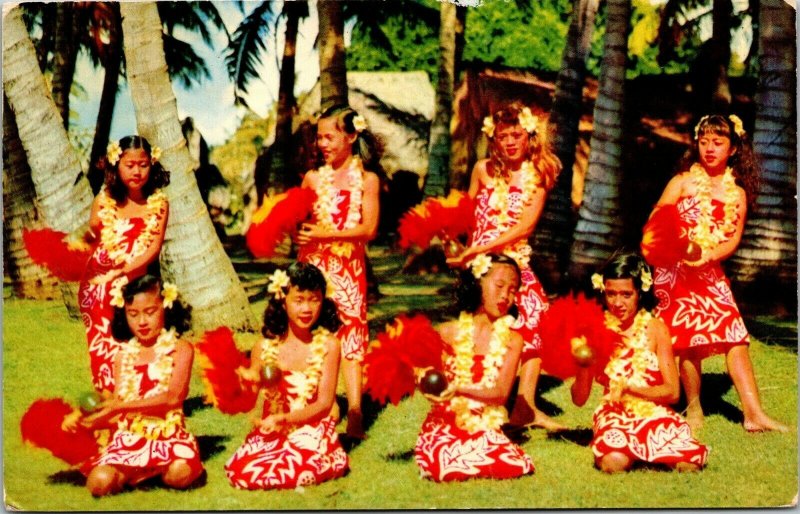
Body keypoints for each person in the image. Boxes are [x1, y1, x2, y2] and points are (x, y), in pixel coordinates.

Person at [647, 114, 788, 433]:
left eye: (718, 142)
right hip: (675, 270)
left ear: (734, 148)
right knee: (688, 340)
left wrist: (709, 253)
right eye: (704, 141)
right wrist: (680, 244)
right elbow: (657, 218)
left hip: (709, 270)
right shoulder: (682, 182)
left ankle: (754, 414)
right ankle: (693, 408)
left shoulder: (736, 192)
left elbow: (732, 237)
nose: (709, 148)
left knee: (736, 337)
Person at [447, 103, 563, 431]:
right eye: (503, 136)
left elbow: (524, 227)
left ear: (529, 137)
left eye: (516, 135)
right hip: (481, 265)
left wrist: (483, 245)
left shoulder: (537, 173)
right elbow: (465, 211)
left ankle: (525, 405)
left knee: (535, 315)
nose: (510, 142)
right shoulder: (483, 170)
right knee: (478, 329)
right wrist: (453, 242)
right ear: (493, 139)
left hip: (514, 261)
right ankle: (474, 398)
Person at [571, 253, 709, 473]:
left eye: (626, 294)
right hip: (614, 412)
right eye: (611, 294)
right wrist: (583, 364)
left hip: (653, 410)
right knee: (613, 462)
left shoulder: (656, 329)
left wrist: (632, 389)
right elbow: (579, 399)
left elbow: (672, 392)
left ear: (639, 293)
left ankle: (645, 450)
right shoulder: (595, 330)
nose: (618, 303)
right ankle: (634, 451)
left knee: (689, 464)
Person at [70, 274, 202, 496]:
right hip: (130, 436)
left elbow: (173, 398)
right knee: (98, 483)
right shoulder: (123, 356)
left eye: (150, 312)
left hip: (168, 434)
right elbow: (116, 408)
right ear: (125, 315)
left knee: (179, 474)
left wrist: (119, 407)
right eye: (133, 314)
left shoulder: (181, 349)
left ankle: (155, 469)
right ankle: (139, 470)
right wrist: (88, 423)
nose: (141, 321)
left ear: (166, 308)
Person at [295, 105, 381, 439]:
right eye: (319, 137)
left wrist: (325, 235)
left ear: (352, 135)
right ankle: (321, 401)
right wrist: (299, 231)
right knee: (316, 331)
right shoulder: (313, 178)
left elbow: (369, 229)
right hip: (314, 265)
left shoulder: (368, 180)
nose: (323, 144)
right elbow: (301, 221)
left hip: (347, 268)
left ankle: (356, 412)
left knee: (351, 336)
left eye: (330, 136)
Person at [225, 263, 349, 489]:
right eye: (298, 299)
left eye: (314, 299)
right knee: (246, 472)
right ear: (282, 300)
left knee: (300, 470)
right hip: (272, 426)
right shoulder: (263, 348)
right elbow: (249, 399)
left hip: (311, 427)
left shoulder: (330, 346)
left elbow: (324, 404)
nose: (307, 308)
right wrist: (243, 383)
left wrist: (286, 420)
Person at [415, 253, 534, 482]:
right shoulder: (447, 332)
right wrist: (425, 381)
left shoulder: (512, 340)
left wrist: (459, 389)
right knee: (445, 466)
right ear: (478, 282)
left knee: (512, 465)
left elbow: (499, 395)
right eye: (499, 285)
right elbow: (427, 380)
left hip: (485, 424)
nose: (505, 296)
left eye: (512, 290)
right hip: (447, 421)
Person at [77, 136, 169, 394]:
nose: (137, 171)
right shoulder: (104, 200)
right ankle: (107, 397)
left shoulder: (159, 204)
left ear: (152, 166)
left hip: (135, 283)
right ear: (117, 166)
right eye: (130, 165)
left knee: (135, 339)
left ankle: (134, 395)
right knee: (103, 344)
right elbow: (91, 237)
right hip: (98, 284)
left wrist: (123, 272)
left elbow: (153, 248)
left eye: (143, 164)